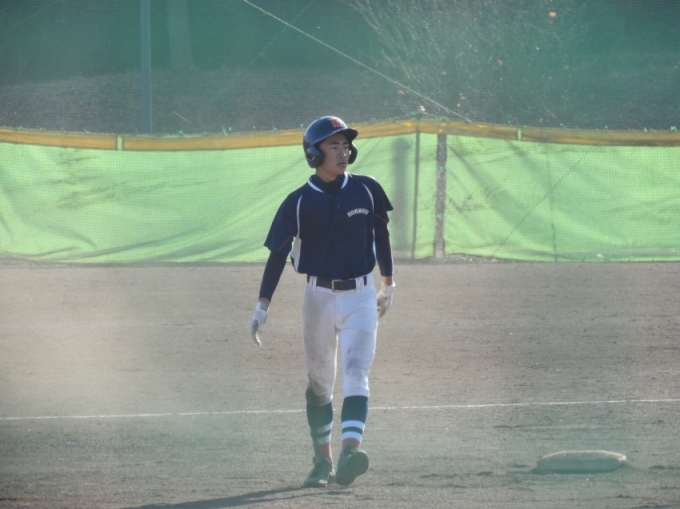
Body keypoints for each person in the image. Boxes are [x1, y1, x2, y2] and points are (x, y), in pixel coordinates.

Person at [248, 115, 396, 488]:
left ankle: (349, 454)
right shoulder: (298, 202)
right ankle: (321, 462)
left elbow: (381, 234)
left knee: (356, 372)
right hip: (317, 298)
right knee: (320, 384)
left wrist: (388, 282)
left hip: (361, 295)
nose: (343, 152)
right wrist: (262, 305)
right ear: (314, 154)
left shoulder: (366, 189)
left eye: (346, 145)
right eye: (333, 146)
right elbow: (277, 255)